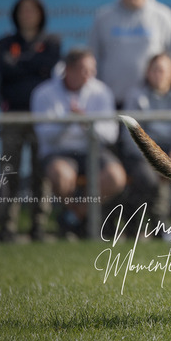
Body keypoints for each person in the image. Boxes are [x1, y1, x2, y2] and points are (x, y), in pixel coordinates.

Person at [31, 47, 126, 237]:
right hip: (59, 152)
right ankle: (81, 221)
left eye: (92, 69)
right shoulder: (44, 93)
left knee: (116, 177)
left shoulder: (101, 91)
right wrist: (67, 121)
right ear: (69, 70)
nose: (91, 75)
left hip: (93, 150)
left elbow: (110, 134)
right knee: (61, 176)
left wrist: (86, 124)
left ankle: (74, 216)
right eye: (85, 70)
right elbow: (45, 136)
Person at [0, 0, 61, 241]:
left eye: (32, 10)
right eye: (23, 10)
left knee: (39, 173)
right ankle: (7, 227)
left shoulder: (52, 41)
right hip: (12, 115)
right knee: (8, 171)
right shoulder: (4, 42)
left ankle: (38, 226)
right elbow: (6, 72)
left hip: (42, 117)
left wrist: (20, 63)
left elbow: (48, 68)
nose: (28, 15)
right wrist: (34, 64)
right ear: (16, 14)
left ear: (41, 14)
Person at [89, 0, 171, 107]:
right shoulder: (104, 17)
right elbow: (93, 57)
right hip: (112, 102)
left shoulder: (163, 16)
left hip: (151, 104)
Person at [120, 52, 171, 234]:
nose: (158, 75)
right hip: (142, 155)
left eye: (163, 70)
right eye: (155, 70)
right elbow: (130, 135)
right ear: (147, 73)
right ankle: (150, 228)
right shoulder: (135, 97)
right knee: (147, 178)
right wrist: (154, 158)